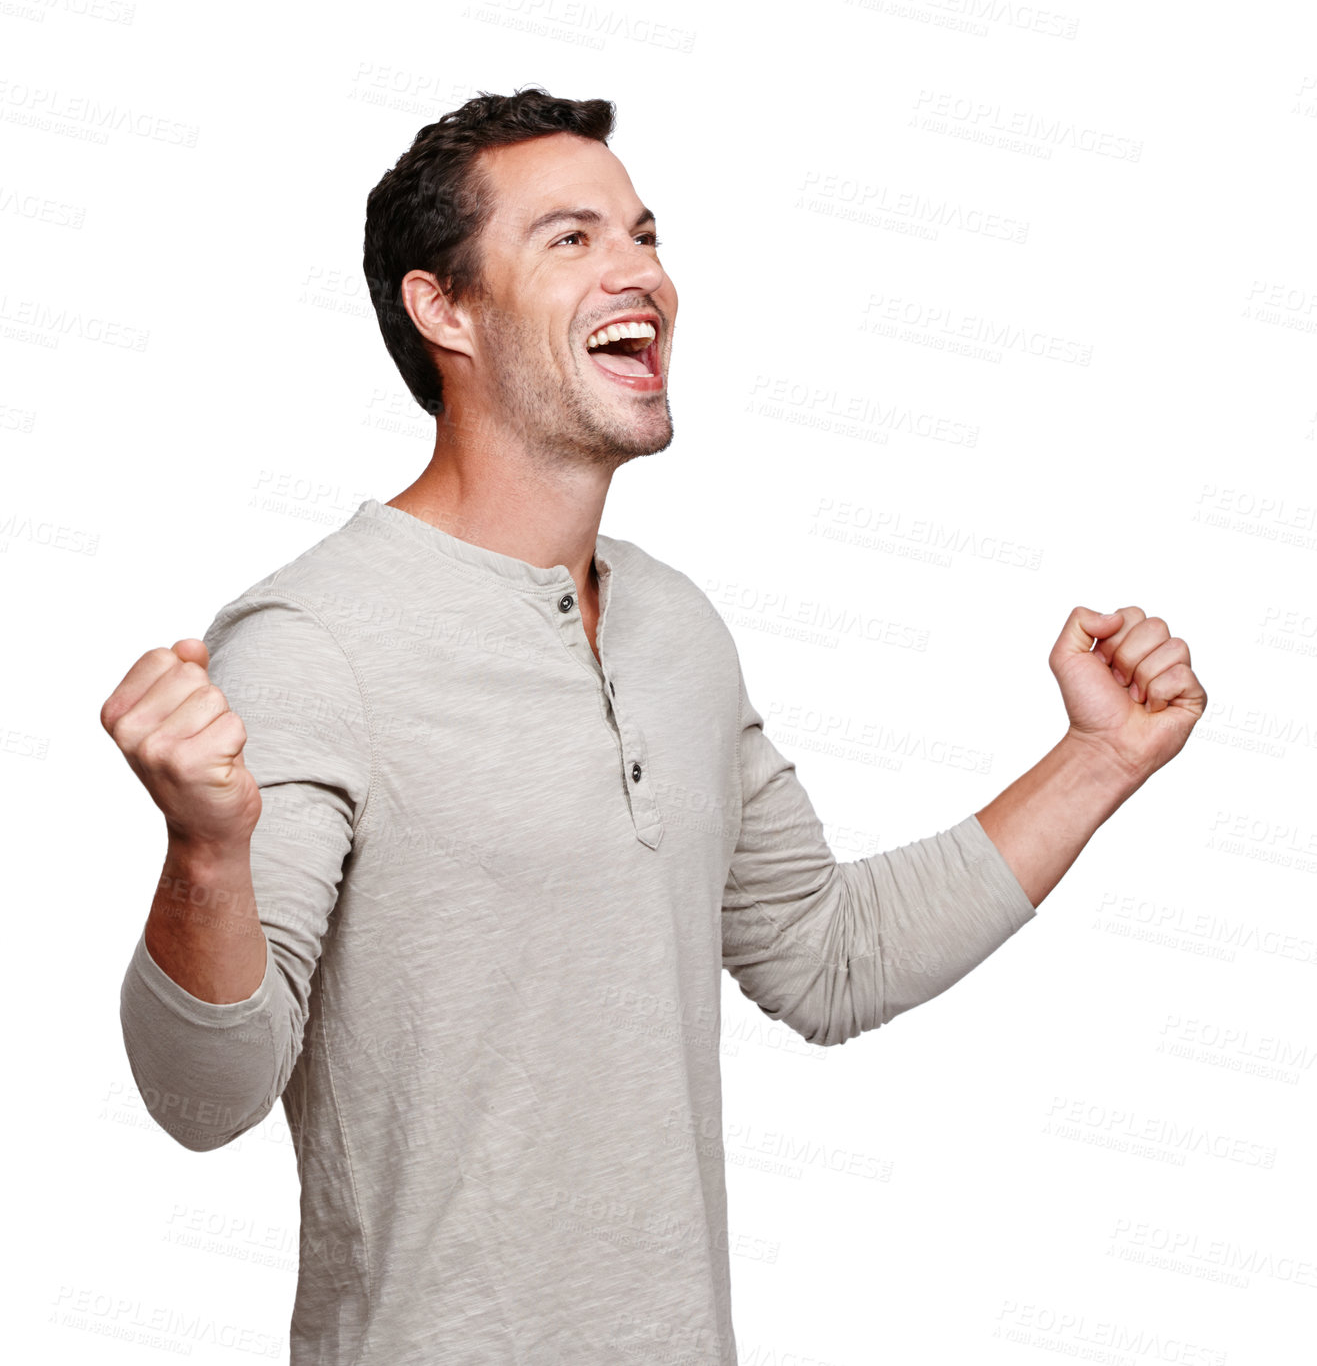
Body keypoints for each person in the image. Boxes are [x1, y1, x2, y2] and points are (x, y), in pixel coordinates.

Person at [103, 87, 1207, 1365]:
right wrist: (204, 851)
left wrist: (1101, 754)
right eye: (571, 239)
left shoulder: (676, 628)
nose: (642, 272)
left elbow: (823, 953)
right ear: (442, 308)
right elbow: (203, 1096)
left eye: (643, 233)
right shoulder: (312, 639)